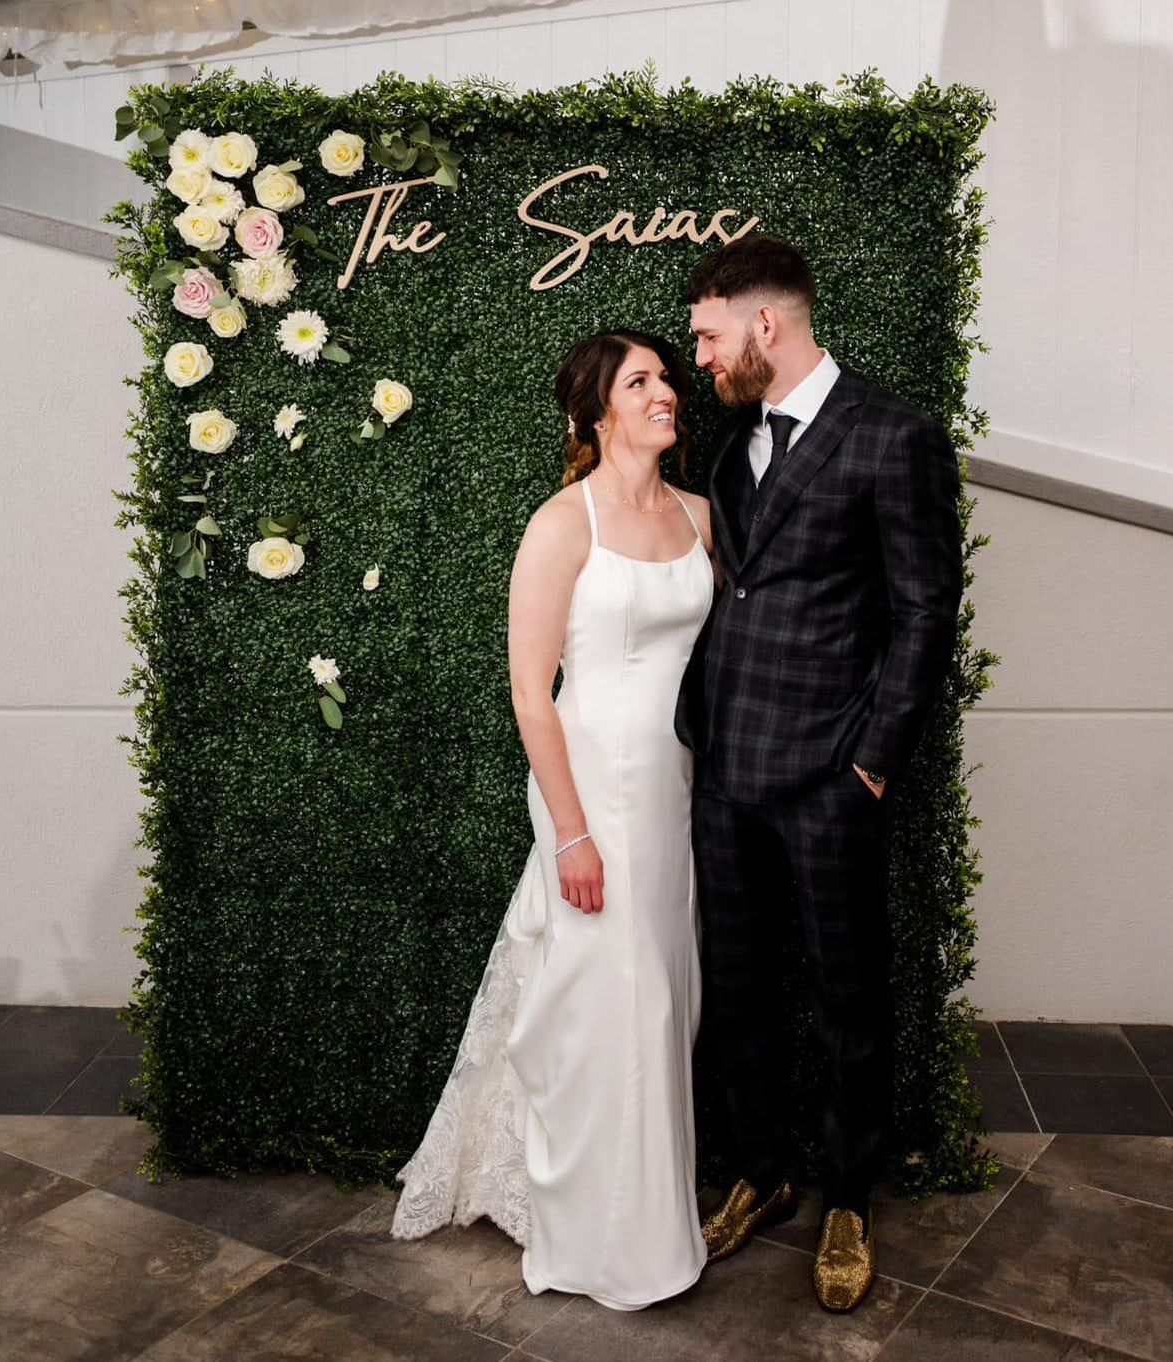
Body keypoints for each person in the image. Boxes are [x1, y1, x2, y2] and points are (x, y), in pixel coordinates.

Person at [391, 330, 717, 1312]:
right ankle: (598, 1236)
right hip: (592, 787)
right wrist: (571, 833)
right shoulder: (560, 523)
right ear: (596, 413)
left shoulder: (706, 516)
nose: (668, 390)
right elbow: (532, 693)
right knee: (608, 995)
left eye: (667, 376)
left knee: (665, 994)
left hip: (677, 789)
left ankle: (652, 1214)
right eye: (643, 381)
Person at [675, 236, 964, 1312]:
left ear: (766, 324)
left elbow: (927, 610)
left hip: (832, 779)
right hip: (727, 771)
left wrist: (874, 765)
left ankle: (849, 1196)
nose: (700, 359)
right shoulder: (734, 441)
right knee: (739, 988)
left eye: (707, 336)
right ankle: (762, 1172)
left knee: (848, 995)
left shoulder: (895, 437)